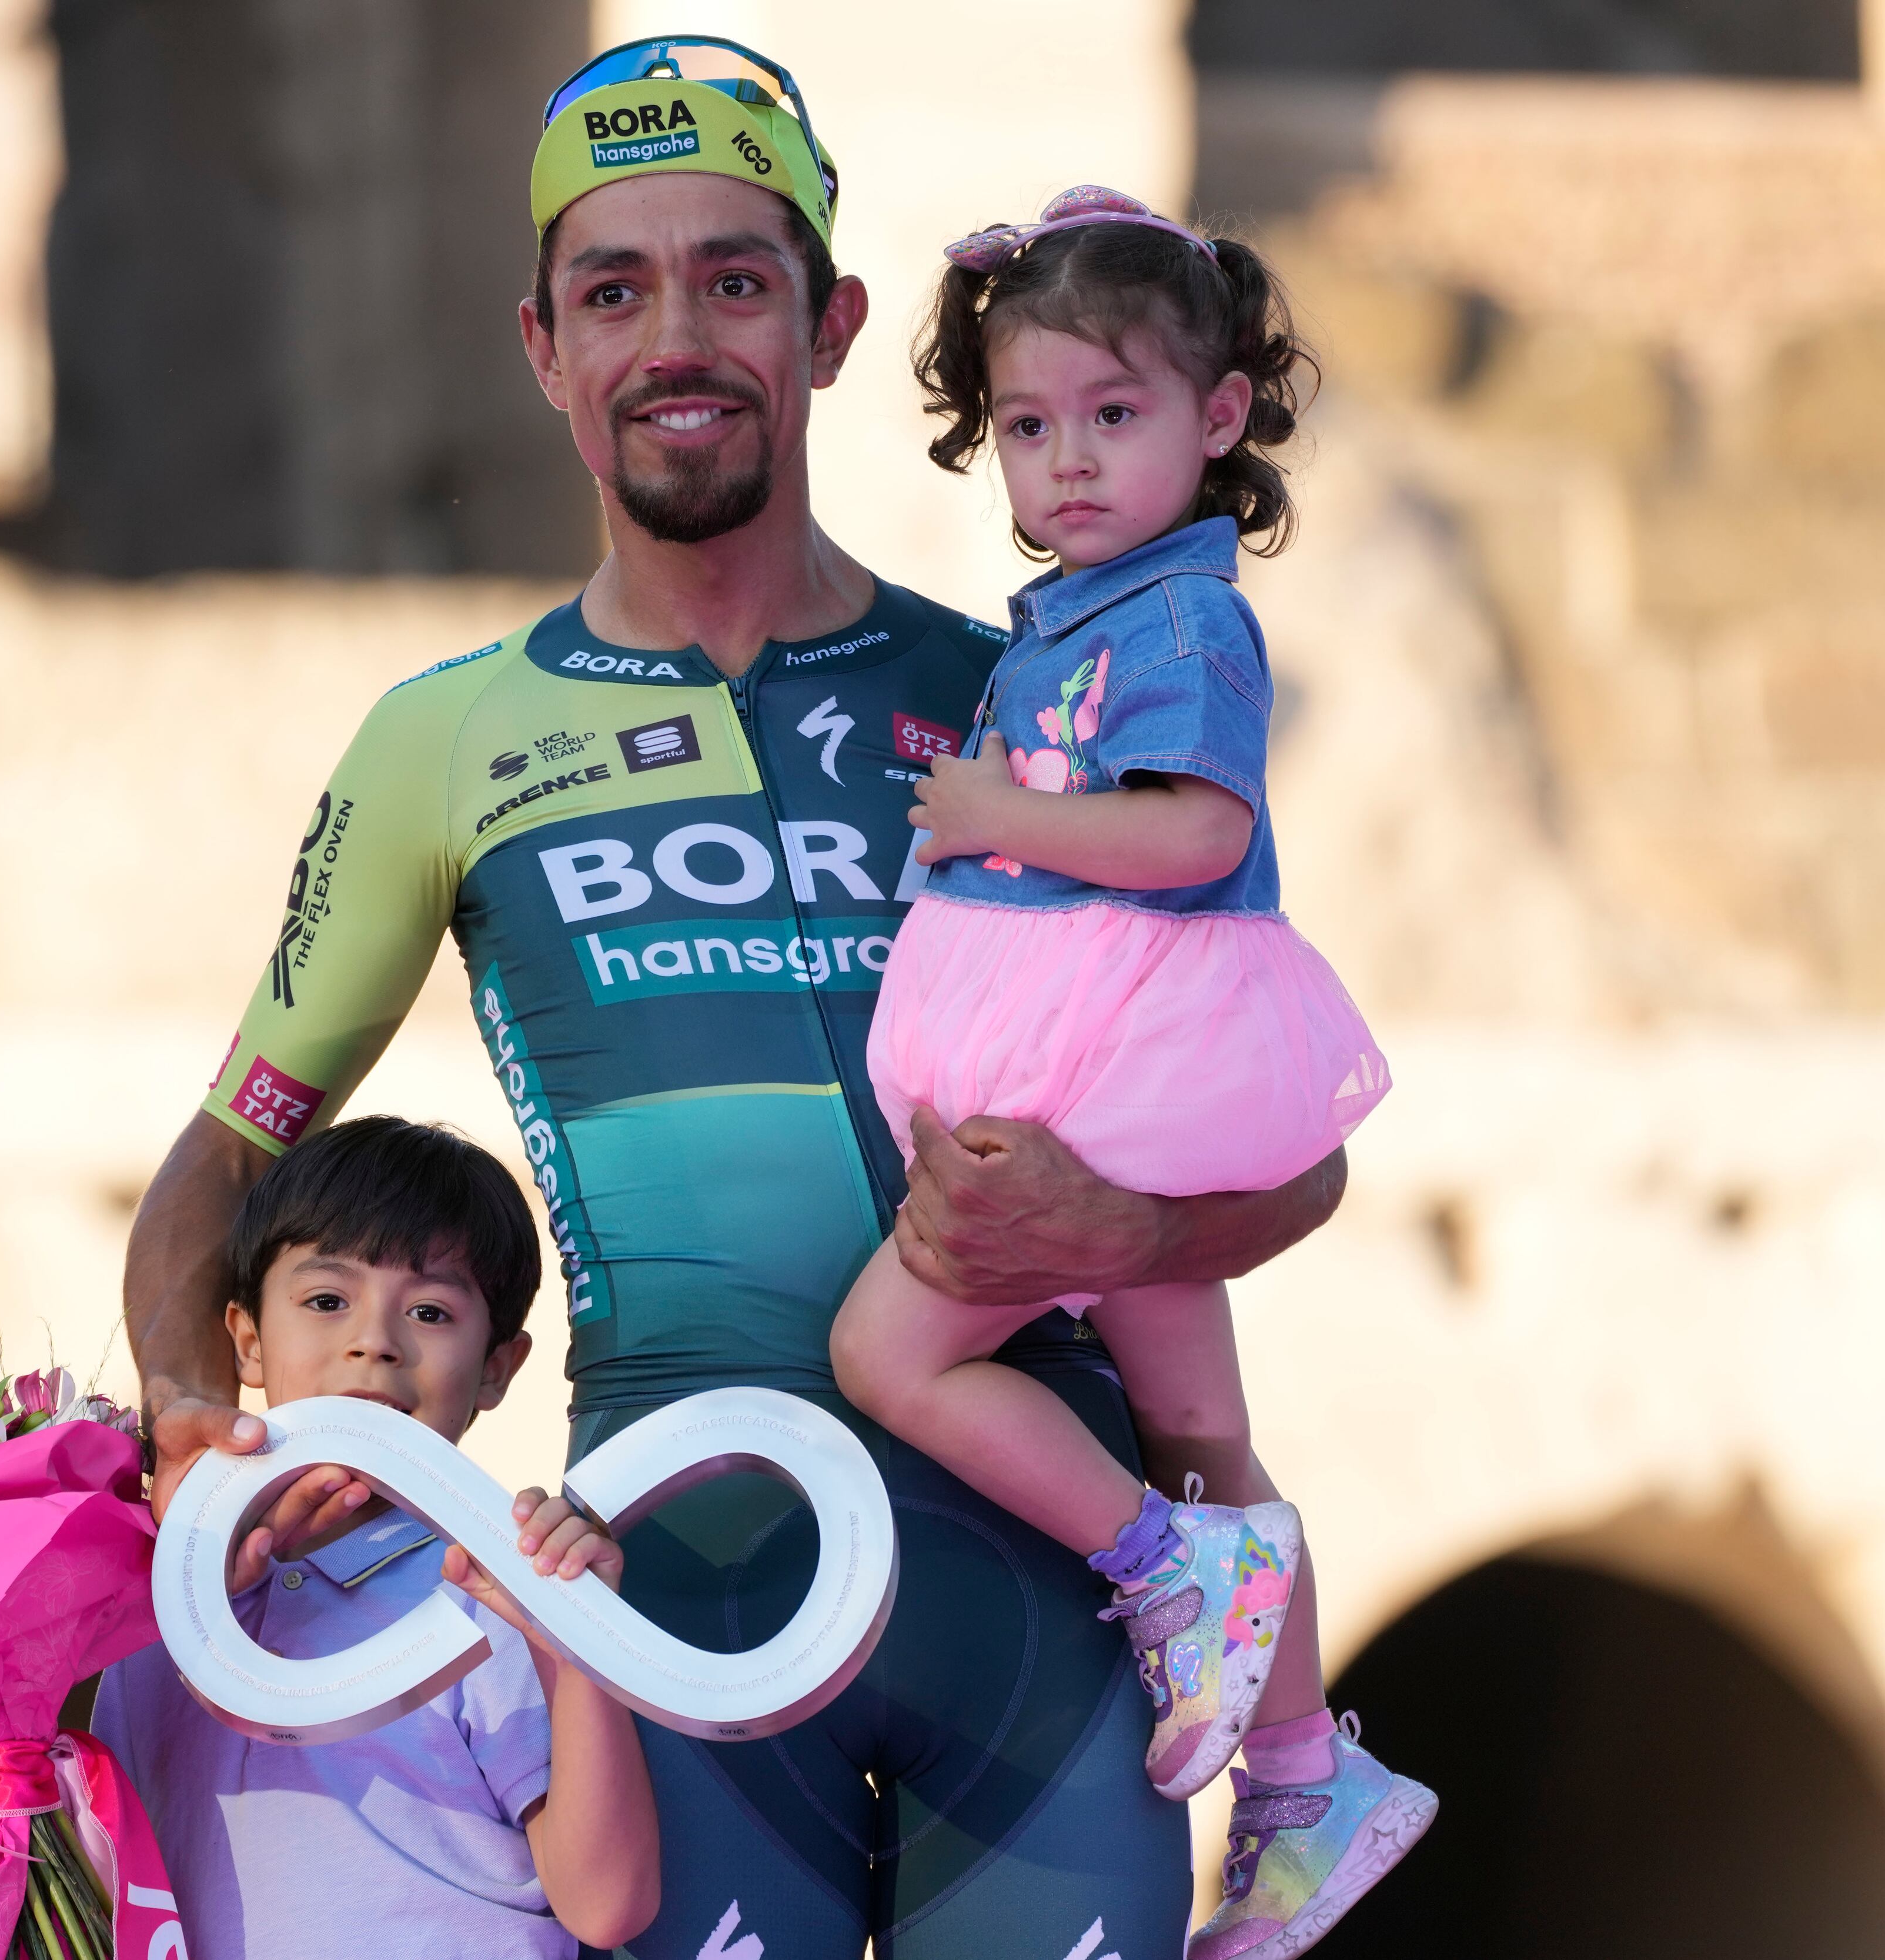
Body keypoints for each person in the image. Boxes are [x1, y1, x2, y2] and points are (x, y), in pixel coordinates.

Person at [122, 39, 1346, 1959]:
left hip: (1042, 1615)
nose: (672, 334)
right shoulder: (444, 742)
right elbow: (218, 1170)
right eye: (615, 289)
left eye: (735, 278)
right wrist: (195, 1417)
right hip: (668, 1599)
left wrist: (1119, 1227)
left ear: (835, 324)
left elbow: (1291, 1153)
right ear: (543, 344)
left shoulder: (1039, 708)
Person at [828, 186, 1436, 1960]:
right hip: (1122, 1053)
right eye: (1030, 426)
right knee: (1201, 1425)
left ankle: (1170, 1568)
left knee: (890, 1347)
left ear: (1221, 418)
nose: (1068, 461)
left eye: (1115, 415)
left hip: (1120, 1060)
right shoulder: (1091, 612)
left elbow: (1197, 833)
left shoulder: (1180, 624)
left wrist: (995, 809)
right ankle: (1313, 1775)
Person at [0, 1116, 659, 1957]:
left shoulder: (498, 1587)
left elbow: (608, 1904)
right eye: (326, 1300)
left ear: (496, 1366)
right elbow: (96, 1852)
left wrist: (576, 1645)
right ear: (245, 1337)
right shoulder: (153, 1595)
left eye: (429, 1309)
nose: (373, 1341)